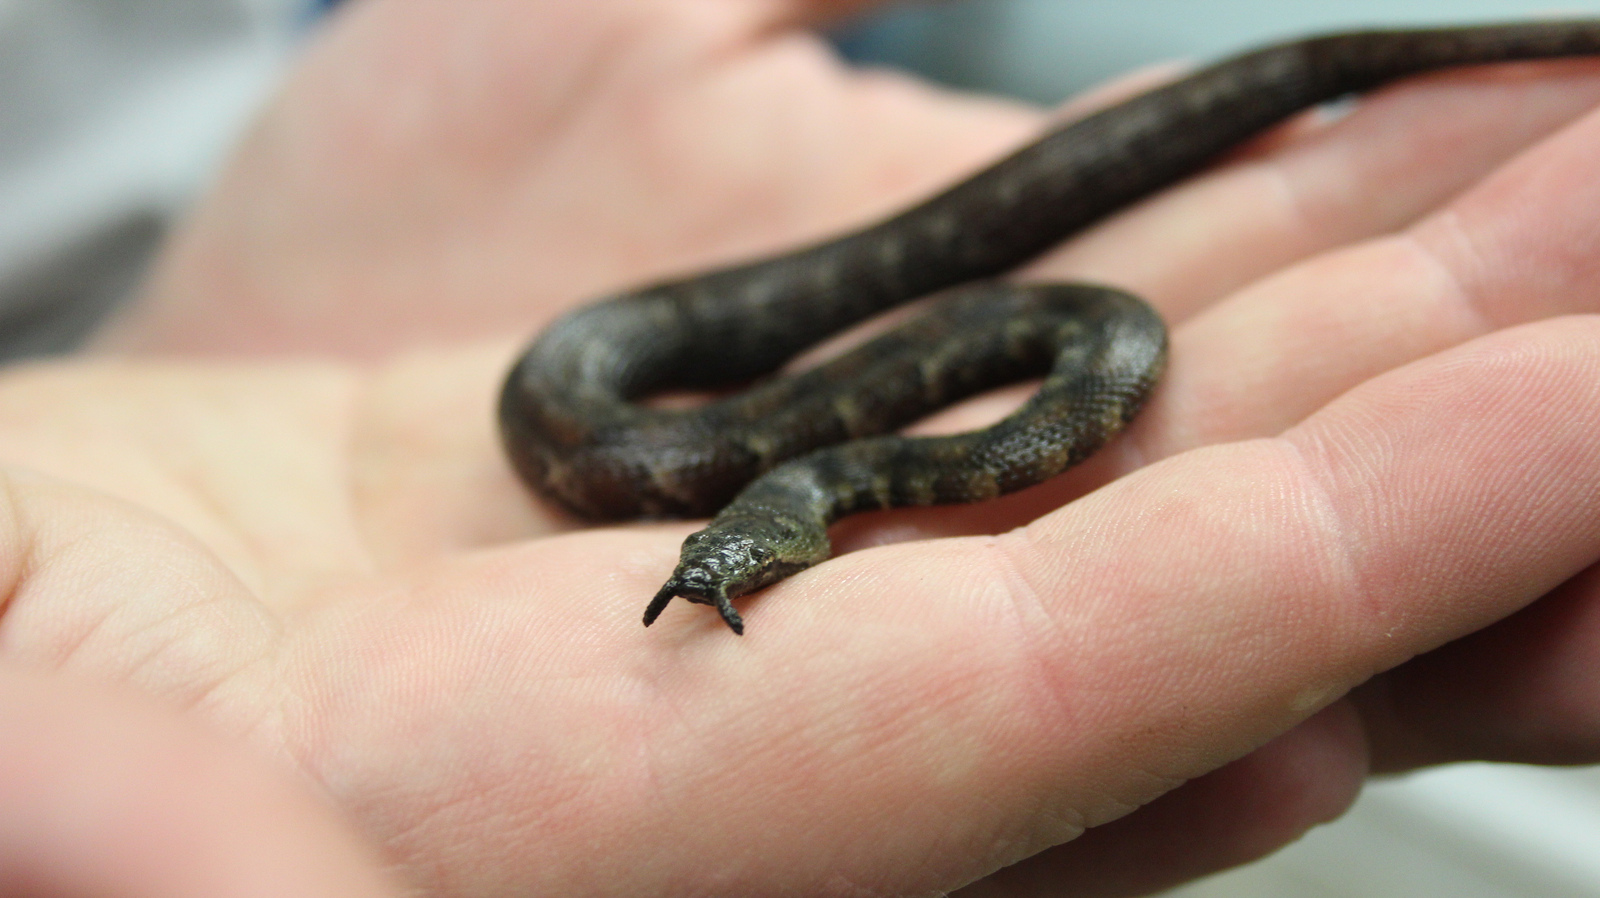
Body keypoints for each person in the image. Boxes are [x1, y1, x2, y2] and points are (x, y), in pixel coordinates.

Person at [6, 1, 1600, 894]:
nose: (715, 566)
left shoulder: (1054, 373)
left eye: (731, 551)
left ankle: (1393, 53)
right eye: (730, 555)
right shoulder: (703, 444)